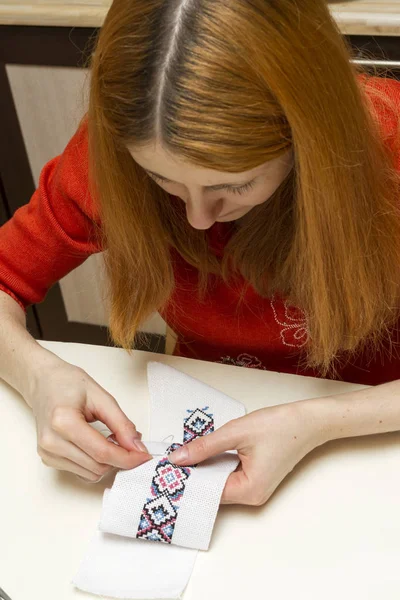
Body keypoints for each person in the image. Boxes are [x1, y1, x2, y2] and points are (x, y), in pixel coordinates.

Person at [1, 0, 400, 506]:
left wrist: (316, 422)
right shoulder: (110, 160)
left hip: (374, 439)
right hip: (202, 409)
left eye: (234, 185)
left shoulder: (390, 150)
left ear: (309, 139)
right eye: (161, 178)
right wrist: (41, 378)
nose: (197, 219)